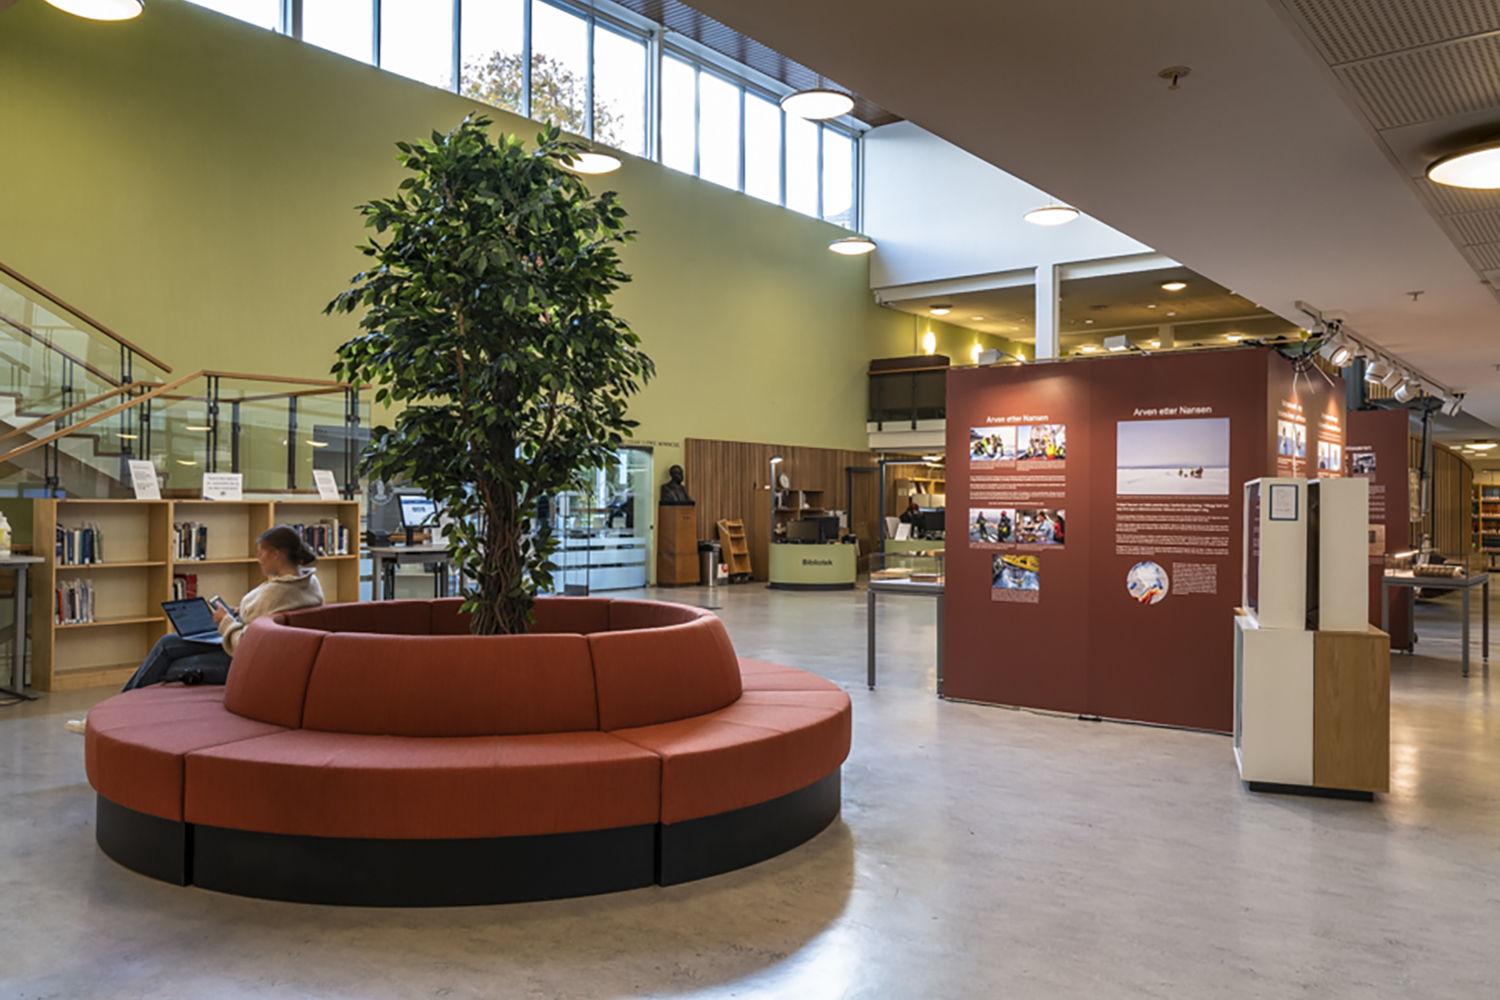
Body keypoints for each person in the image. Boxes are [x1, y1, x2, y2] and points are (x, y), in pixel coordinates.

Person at [65, 526, 323, 734]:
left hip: (248, 664)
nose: (258, 559)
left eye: (261, 553)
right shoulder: (309, 584)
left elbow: (247, 646)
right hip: (270, 656)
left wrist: (225, 622)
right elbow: (266, 624)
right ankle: (110, 717)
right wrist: (237, 615)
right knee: (167, 643)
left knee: (168, 665)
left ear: (277, 554)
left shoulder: (274, 593)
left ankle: (107, 721)